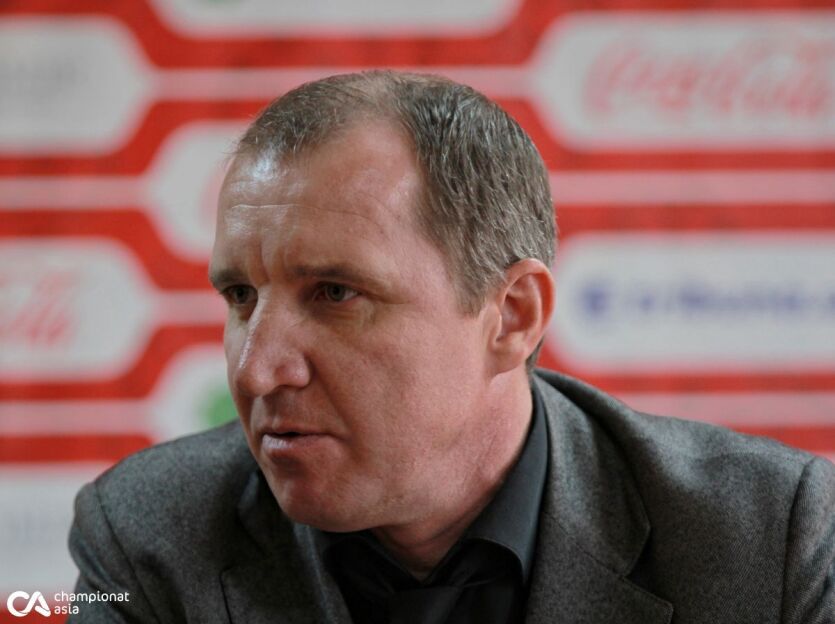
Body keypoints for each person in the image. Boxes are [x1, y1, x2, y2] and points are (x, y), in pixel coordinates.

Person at [67, 71, 834, 624]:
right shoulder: (147, 534)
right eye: (241, 296)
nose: (257, 369)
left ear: (511, 316)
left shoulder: (764, 538)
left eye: (334, 293)